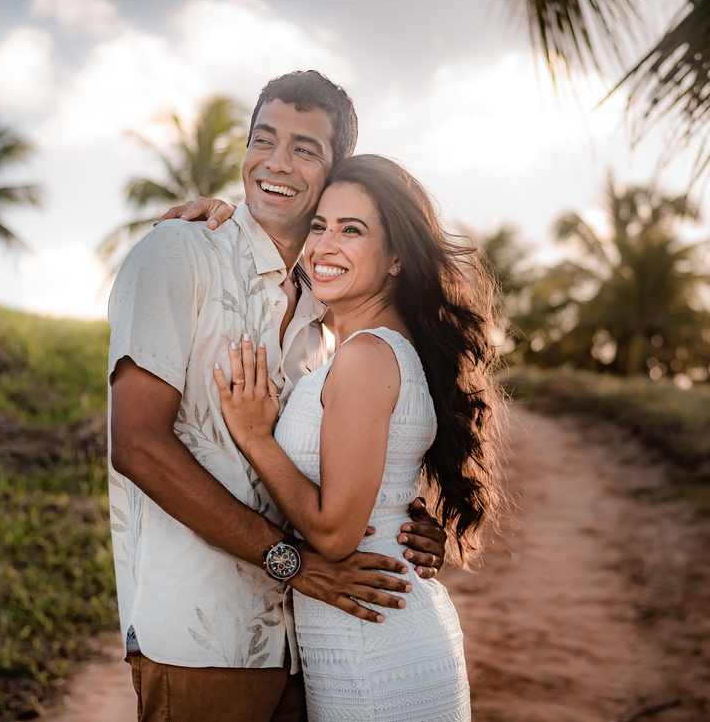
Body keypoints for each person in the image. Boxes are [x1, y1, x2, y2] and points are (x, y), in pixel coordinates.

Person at [107, 72, 448, 722]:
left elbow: (357, 440)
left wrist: (405, 514)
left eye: (304, 149)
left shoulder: (329, 311)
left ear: (335, 174)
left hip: (307, 647)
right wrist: (292, 562)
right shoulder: (179, 253)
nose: (276, 162)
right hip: (203, 637)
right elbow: (138, 444)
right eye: (263, 139)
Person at [211, 154, 502, 720]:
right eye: (318, 225)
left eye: (352, 230)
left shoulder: (366, 356)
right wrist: (217, 212)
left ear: (395, 258)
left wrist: (256, 437)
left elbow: (335, 535)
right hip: (375, 634)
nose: (323, 245)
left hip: (374, 650)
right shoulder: (369, 350)